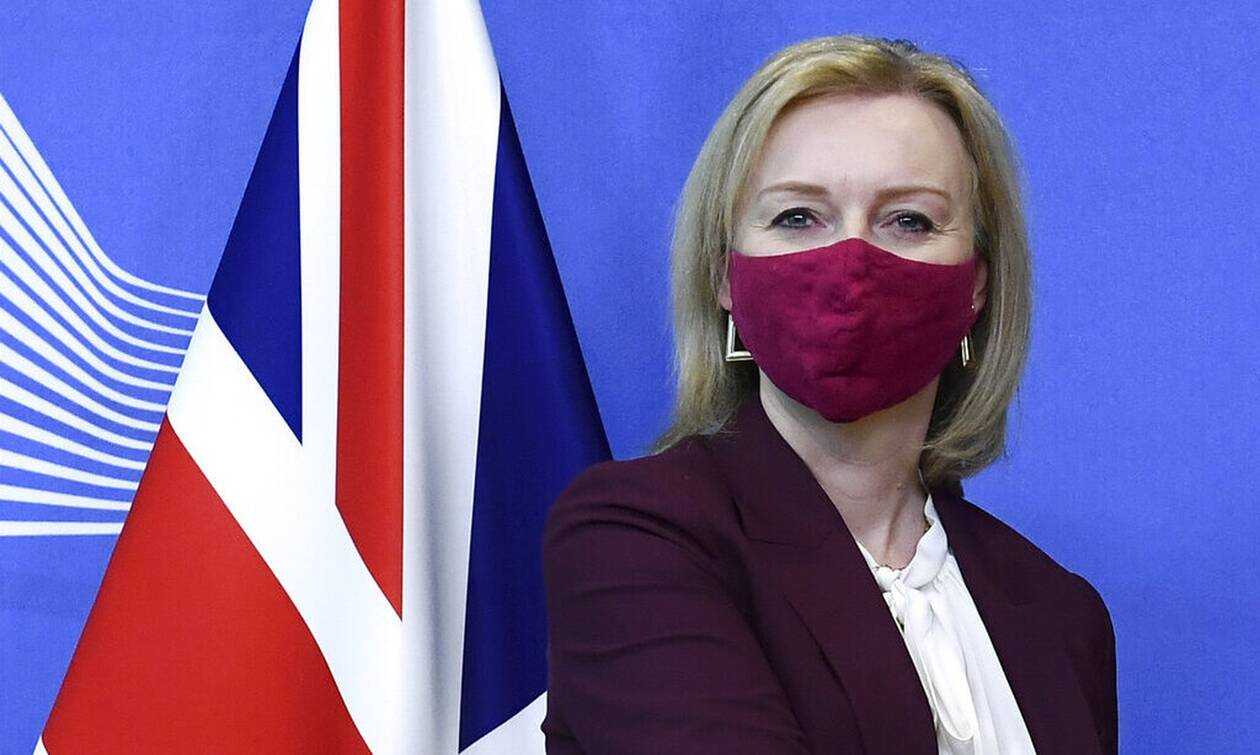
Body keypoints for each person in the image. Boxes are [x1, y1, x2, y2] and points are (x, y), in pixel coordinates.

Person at [540, 34, 1117, 755]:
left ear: (976, 285)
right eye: (797, 217)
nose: (850, 264)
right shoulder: (635, 538)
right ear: (724, 275)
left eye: (908, 220)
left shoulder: (1060, 614)